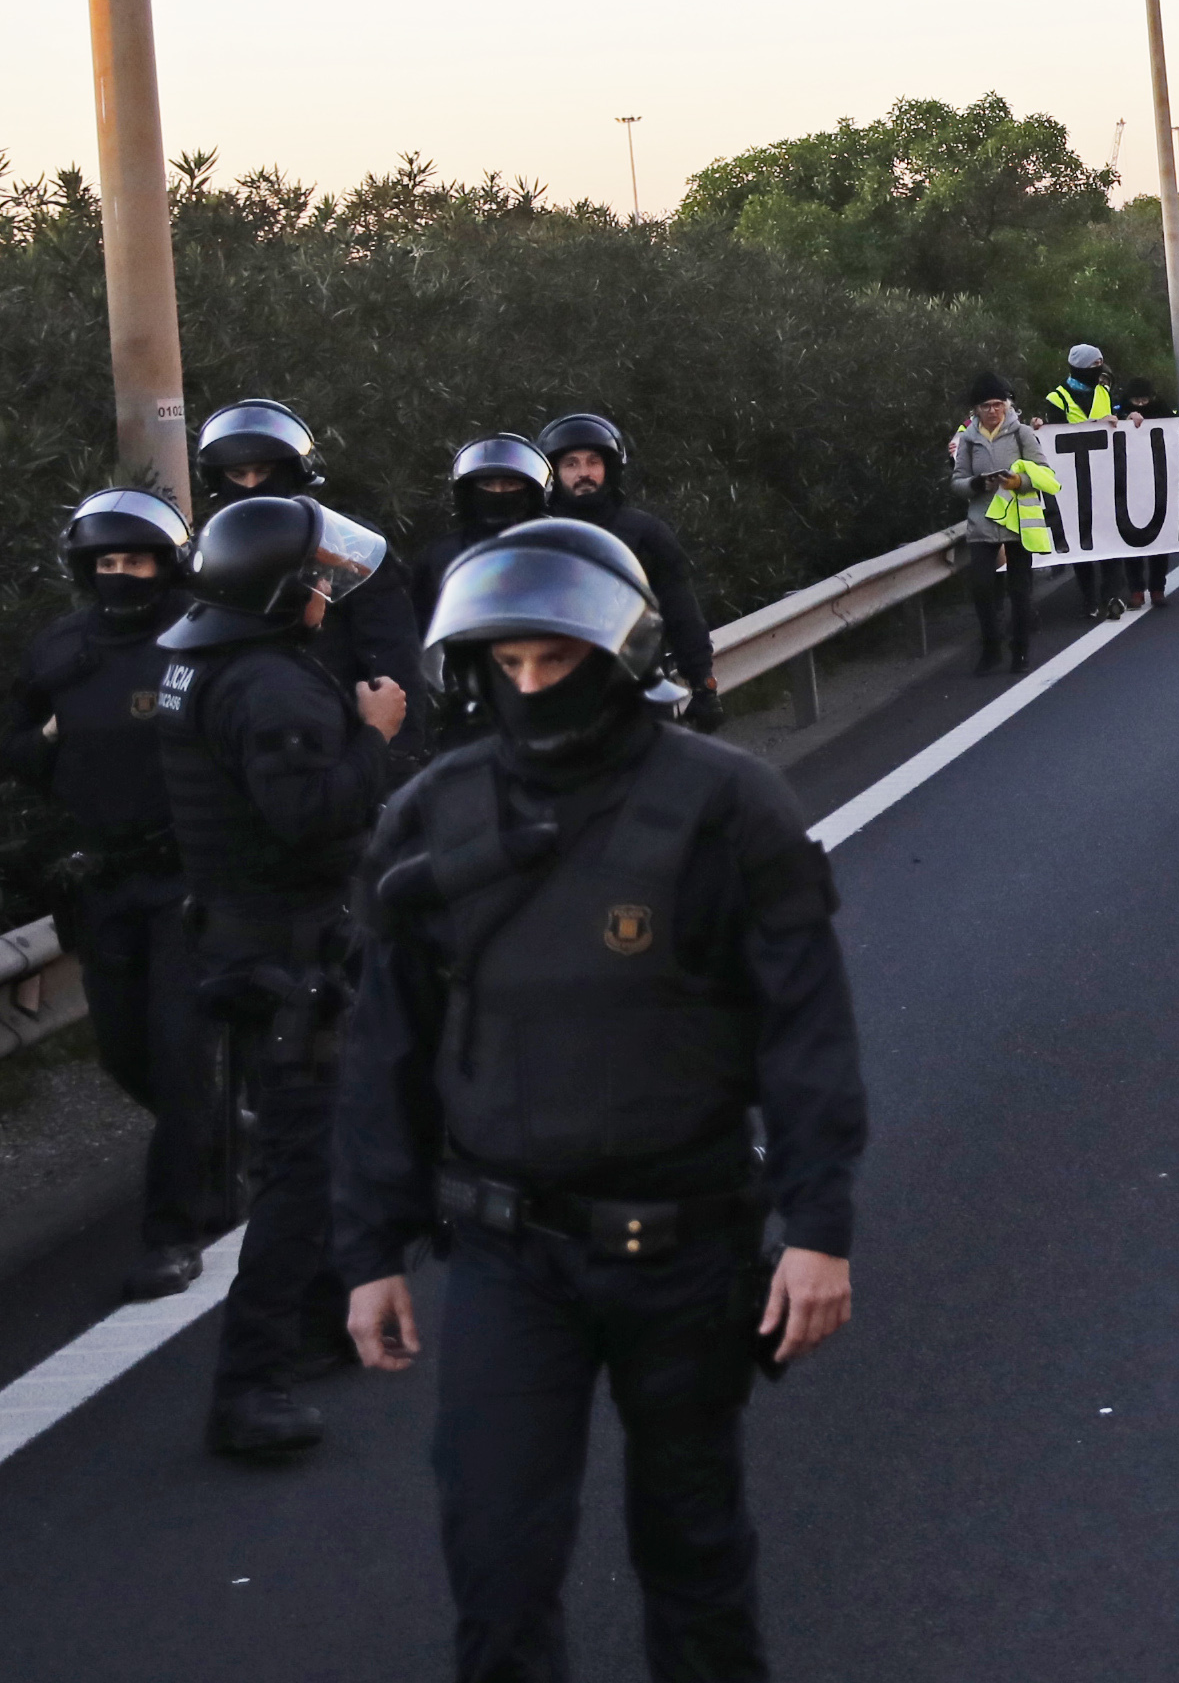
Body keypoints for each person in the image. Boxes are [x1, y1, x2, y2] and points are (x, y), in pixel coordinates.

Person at [337, 517, 867, 1680]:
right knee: (496, 1561)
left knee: (692, 1549)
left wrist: (818, 1227)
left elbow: (806, 1031)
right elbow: (385, 1049)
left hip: (687, 1243)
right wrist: (370, 1246)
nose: (530, 684)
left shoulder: (730, 805)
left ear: (616, 652)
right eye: (507, 662)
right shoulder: (432, 817)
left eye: (556, 659)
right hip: (505, 1252)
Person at [156, 494, 408, 1454]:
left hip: (240, 941)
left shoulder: (195, 663)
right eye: (317, 577)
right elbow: (311, 816)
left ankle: (317, 1319)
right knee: (304, 1167)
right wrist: (375, 734)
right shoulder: (271, 687)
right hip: (286, 956)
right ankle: (249, 1389)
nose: (329, 590)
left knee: (322, 1147)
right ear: (282, 589)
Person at [8, 489, 219, 1301]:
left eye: (136, 561)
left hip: (186, 879)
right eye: (107, 563)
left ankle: (175, 1231)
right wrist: (45, 746)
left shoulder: (202, 638)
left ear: (167, 565)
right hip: (102, 881)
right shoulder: (62, 650)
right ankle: (219, 1138)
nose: (122, 575)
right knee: (125, 1053)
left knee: (178, 1052)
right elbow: (16, 740)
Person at [195, 396, 423, 699]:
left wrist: (395, 742)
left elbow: (392, 651)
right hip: (238, 714)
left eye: (263, 471)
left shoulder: (347, 542)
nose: (250, 485)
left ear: (292, 471)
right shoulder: (210, 549)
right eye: (237, 474)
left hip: (336, 717)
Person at [537, 414, 721, 728]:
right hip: (556, 705)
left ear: (609, 467)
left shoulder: (645, 533)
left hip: (639, 699)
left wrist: (704, 684)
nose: (584, 473)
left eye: (593, 461)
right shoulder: (535, 540)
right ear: (553, 473)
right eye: (571, 464)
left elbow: (681, 613)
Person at [412, 436, 554, 749]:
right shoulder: (439, 555)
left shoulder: (557, 549)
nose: (499, 494)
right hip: (466, 705)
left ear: (532, 491)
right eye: (489, 485)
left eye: (509, 485)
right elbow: (416, 635)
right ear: (469, 491)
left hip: (548, 697)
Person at [947, 376, 1056, 676]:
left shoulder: (1021, 433)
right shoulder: (968, 439)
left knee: (1020, 591)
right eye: (986, 406)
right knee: (982, 587)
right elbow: (957, 483)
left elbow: (1046, 474)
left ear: (1006, 405)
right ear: (976, 409)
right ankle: (991, 648)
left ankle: (1020, 652)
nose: (993, 411)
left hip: (1019, 521)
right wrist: (977, 483)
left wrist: (1019, 481)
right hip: (983, 522)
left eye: (998, 404)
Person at [1042, 348, 1131, 620]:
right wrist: (1096, 424)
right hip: (1072, 483)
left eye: (1101, 363)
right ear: (1080, 367)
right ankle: (1089, 598)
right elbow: (1057, 437)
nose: (1100, 368)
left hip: (1104, 476)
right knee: (1081, 541)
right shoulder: (1057, 399)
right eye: (1095, 364)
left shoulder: (1103, 392)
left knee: (1110, 536)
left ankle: (1112, 594)